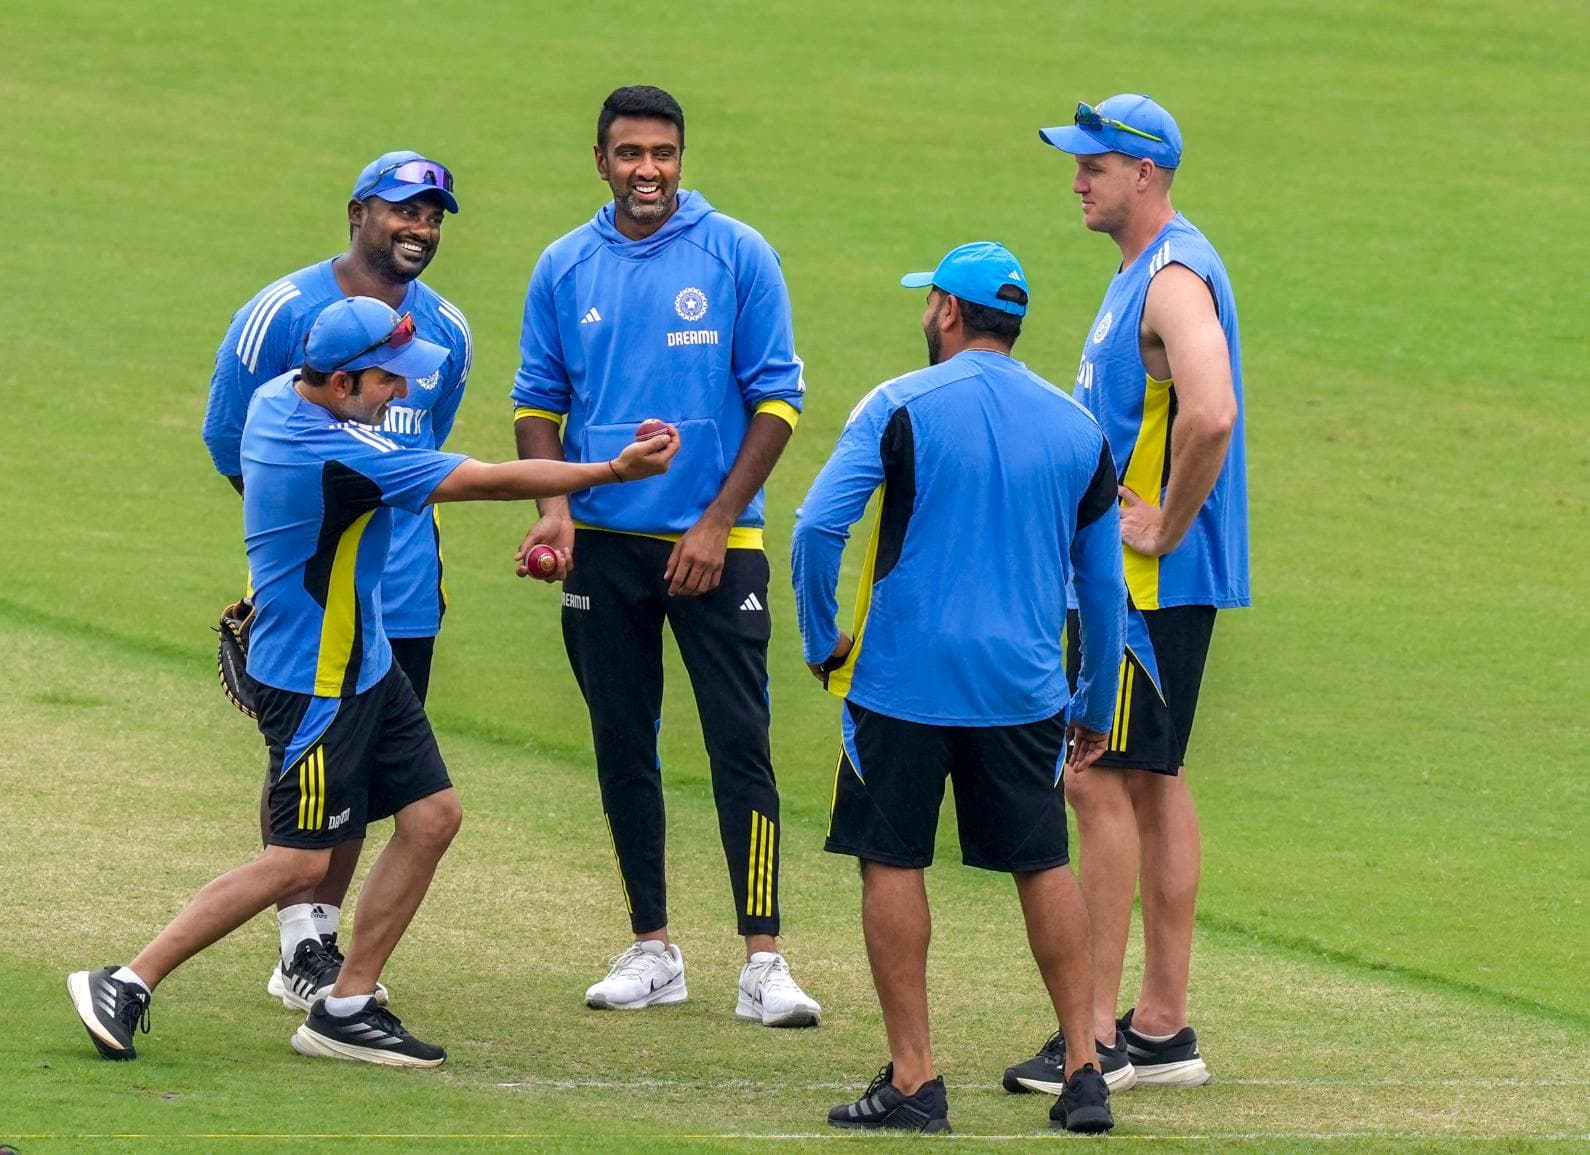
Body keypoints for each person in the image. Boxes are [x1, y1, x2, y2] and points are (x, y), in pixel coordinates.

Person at [69, 297, 679, 1066]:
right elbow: (489, 478)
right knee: (297, 862)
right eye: (388, 380)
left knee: (432, 817)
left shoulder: (277, 398)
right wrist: (614, 470)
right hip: (318, 680)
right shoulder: (346, 457)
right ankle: (126, 979)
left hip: (369, 663)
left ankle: (346, 1005)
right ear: (337, 380)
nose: (402, 394)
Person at [791, 242, 1127, 1134]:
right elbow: (1101, 588)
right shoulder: (1077, 428)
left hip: (901, 682)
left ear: (946, 309)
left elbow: (818, 526)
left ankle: (915, 1078)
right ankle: (1085, 1070)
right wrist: (1093, 706)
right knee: (1043, 863)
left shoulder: (899, 403)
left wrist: (824, 640)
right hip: (1025, 692)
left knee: (892, 858)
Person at [510, 84, 820, 1026]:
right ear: (600, 160)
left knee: (742, 745)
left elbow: (778, 402)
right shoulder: (563, 266)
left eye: (664, 153)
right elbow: (536, 403)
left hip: (719, 545)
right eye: (630, 153)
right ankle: (653, 946)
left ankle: (764, 958)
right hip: (603, 547)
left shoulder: (737, 254)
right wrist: (556, 506)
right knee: (622, 745)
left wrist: (718, 521)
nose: (649, 170)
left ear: (682, 159)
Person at [1004, 94, 1247, 1093]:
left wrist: (1164, 524)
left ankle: (1096, 1037)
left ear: (1143, 172)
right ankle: (1162, 1025)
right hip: (1151, 586)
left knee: (1094, 778)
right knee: (1152, 779)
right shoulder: (1141, 273)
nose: (1078, 180)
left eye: (1094, 165)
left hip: (1144, 589)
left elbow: (1212, 409)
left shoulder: (1174, 277)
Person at [201, 151, 472, 1014]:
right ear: (358, 211)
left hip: (407, 592)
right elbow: (229, 438)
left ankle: (328, 950)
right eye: (403, 210)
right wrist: (299, 550)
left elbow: (428, 450)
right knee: (312, 775)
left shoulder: (448, 332)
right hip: (316, 600)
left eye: (432, 215)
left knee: (377, 786)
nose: (418, 228)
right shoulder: (283, 314)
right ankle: (302, 941)